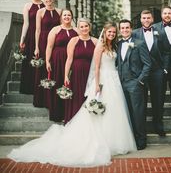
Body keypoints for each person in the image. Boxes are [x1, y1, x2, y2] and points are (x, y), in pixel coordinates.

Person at [8, 22, 136, 167]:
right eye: (109, 32)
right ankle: (100, 140)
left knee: (114, 110)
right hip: (103, 81)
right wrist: (97, 84)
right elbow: (97, 67)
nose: (112, 34)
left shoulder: (115, 46)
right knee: (98, 111)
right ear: (104, 32)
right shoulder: (99, 45)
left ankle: (113, 140)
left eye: (114, 32)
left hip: (114, 80)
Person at [116, 19, 151, 150]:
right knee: (127, 113)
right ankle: (130, 140)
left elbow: (148, 64)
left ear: (131, 29)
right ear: (120, 30)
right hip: (121, 83)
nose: (124, 30)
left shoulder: (139, 43)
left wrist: (140, 81)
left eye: (127, 28)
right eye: (122, 28)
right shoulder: (118, 44)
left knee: (138, 113)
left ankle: (141, 141)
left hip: (135, 83)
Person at [132, 10, 168, 137]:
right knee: (141, 100)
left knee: (158, 99)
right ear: (141, 20)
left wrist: (165, 68)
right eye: (144, 18)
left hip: (157, 71)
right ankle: (141, 128)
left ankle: (158, 125)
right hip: (141, 72)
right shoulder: (134, 34)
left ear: (152, 19)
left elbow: (166, 52)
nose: (146, 20)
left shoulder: (160, 33)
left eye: (148, 18)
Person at [45, 9, 78, 122]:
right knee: (58, 84)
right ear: (61, 17)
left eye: (69, 15)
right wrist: (48, 61)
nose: (67, 17)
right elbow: (49, 46)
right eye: (65, 15)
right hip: (58, 60)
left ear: (72, 17)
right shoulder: (55, 30)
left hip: (72, 60)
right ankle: (57, 114)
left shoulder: (77, 30)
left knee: (70, 84)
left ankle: (69, 113)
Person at [64, 18, 97, 124]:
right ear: (78, 28)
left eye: (86, 26)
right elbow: (69, 59)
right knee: (77, 97)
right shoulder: (73, 41)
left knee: (87, 96)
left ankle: (88, 123)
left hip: (90, 74)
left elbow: (98, 61)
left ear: (89, 27)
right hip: (76, 74)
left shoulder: (96, 41)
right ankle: (74, 123)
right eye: (81, 27)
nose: (84, 28)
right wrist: (66, 76)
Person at [33, 0, 61, 108]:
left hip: (56, 42)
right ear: (43, 0)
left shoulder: (59, 12)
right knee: (43, 70)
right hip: (43, 41)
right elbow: (37, 30)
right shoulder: (40, 12)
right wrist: (36, 47)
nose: (48, 0)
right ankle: (41, 100)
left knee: (53, 68)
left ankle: (52, 100)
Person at [19, 0, 44, 94]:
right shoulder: (27, 6)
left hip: (43, 36)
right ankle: (29, 88)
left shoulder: (45, 5)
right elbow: (26, 24)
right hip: (30, 37)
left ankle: (41, 87)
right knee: (30, 60)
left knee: (42, 60)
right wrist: (22, 40)